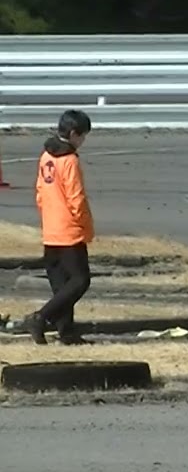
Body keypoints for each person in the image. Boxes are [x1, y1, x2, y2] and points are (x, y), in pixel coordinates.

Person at [29, 109, 95, 345]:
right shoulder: (69, 160)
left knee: (61, 286)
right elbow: (76, 198)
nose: (83, 141)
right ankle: (41, 317)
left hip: (51, 229)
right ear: (75, 134)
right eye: (83, 136)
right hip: (69, 230)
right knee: (80, 280)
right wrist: (86, 227)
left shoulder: (46, 156)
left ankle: (66, 331)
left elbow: (40, 193)